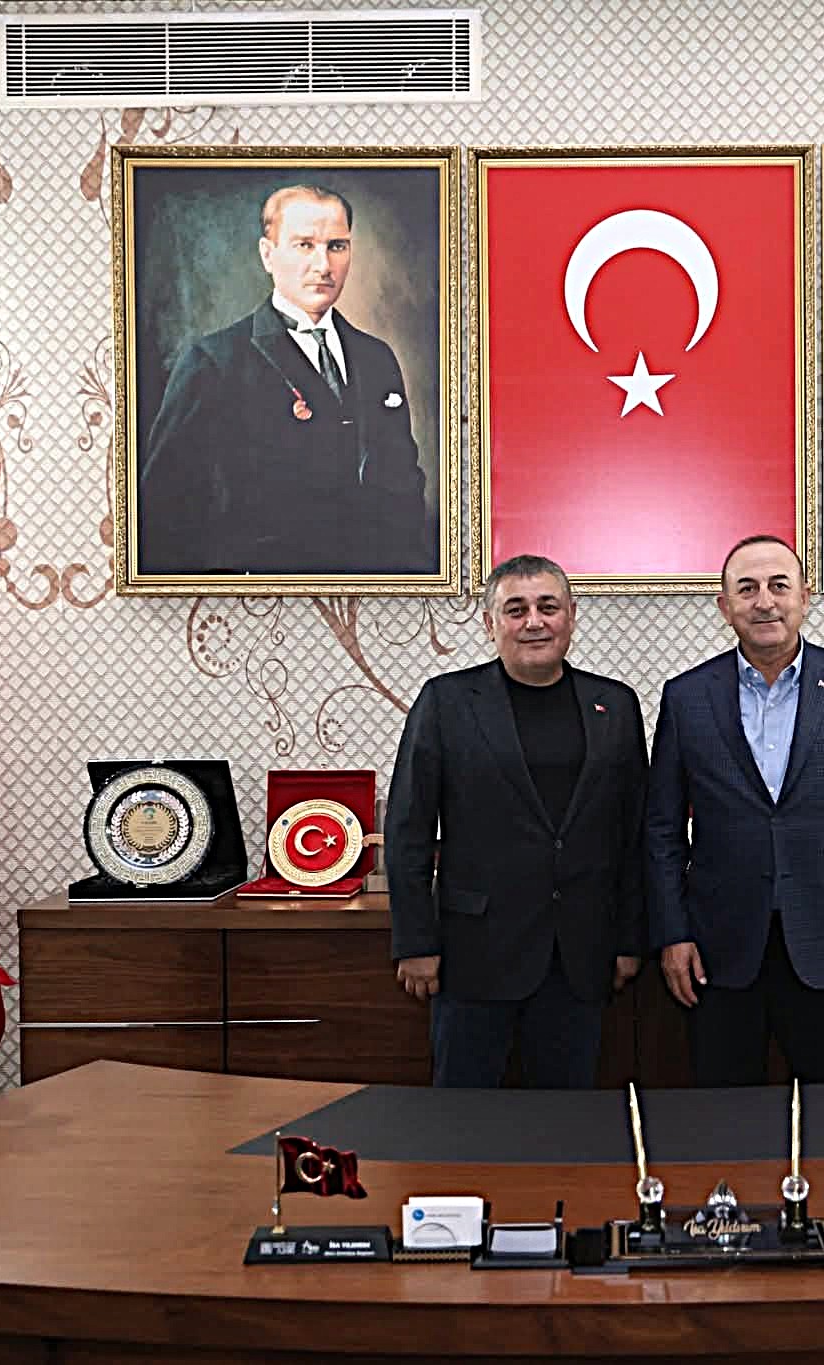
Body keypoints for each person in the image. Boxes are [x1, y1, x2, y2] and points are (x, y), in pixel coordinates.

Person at [646, 535, 824, 1085]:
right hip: (718, 950)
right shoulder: (686, 696)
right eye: (746, 589)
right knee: (725, 1115)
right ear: (725, 607)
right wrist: (672, 933)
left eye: (778, 586)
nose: (764, 601)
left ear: (804, 597)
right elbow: (662, 830)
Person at [384, 554, 646, 1087]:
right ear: (490, 623)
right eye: (516, 609)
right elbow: (409, 830)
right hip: (474, 955)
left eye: (548, 607)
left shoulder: (614, 705)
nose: (534, 622)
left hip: (580, 955)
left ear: (571, 616)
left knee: (564, 1117)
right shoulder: (446, 702)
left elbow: (634, 833)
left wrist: (630, 940)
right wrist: (415, 943)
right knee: (465, 1116)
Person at [137, 183, 432, 576]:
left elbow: (404, 488)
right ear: (268, 254)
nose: (323, 265)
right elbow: (165, 514)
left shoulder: (377, 358)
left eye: (336, 246)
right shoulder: (213, 363)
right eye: (304, 245)